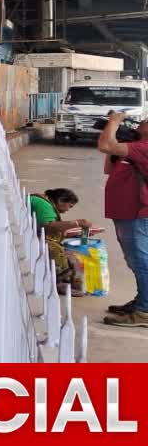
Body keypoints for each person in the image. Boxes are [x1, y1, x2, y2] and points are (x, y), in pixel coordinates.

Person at [98, 111, 148, 328]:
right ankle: (142, 302)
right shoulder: (135, 147)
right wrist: (115, 134)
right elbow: (108, 167)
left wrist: (114, 122)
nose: (142, 122)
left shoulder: (144, 148)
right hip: (125, 212)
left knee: (141, 261)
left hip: (136, 213)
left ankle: (144, 312)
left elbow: (105, 146)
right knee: (135, 261)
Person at [28, 188, 90, 296]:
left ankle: (68, 282)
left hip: (32, 234)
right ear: (61, 200)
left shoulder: (45, 203)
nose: (68, 210)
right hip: (32, 238)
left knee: (70, 255)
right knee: (60, 252)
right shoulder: (43, 205)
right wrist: (76, 223)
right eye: (69, 206)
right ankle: (60, 283)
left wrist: (76, 233)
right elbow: (48, 226)